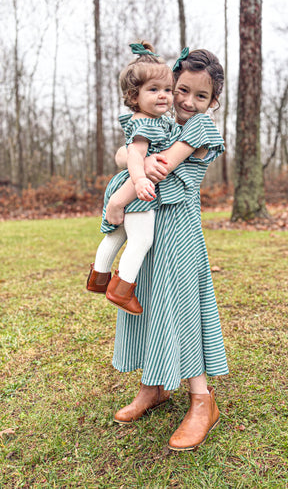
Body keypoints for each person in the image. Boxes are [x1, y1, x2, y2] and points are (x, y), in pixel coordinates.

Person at [104, 47, 229, 451]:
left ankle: (201, 399)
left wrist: (130, 165)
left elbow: (158, 165)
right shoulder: (162, 122)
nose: (188, 102)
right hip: (151, 223)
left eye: (201, 96)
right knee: (148, 300)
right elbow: (127, 152)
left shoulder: (201, 129)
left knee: (181, 306)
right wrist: (130, 154)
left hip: (179, 229)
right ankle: (154, 386)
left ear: (213, 102)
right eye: (182, 90)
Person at [87, 40, 183, 316]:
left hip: (126, 185)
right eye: (153, 90)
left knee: (116, 234)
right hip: (138, 187)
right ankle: (122, 289)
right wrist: (141, 180)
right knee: (141, 240)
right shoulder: (144, 123)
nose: (163, 95)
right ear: (134, 95)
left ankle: (99, 279)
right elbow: (135, 154)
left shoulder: (156, 119)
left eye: (167, 89)